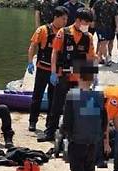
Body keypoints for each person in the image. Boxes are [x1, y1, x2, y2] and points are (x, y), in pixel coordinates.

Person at [39, 8, 95, 142]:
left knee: (77, 105)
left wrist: (90, 78)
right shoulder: (63, 33)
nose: (87, 25)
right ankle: (50, 132)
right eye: (85, 22)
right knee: (56, 104)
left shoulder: (88, 37)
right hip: (62, 73)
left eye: (88, 23)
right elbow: (55, 52)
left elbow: (90, 57)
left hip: (78, 75)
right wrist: (53, 72)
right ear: (77, 20)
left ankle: (72, 133)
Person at [62, 63, 107, 171]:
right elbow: (104, 122)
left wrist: (64, 136)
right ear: (92, 78)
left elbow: (67, 123)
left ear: (79, 76)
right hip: (92, 144)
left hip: (77, 143)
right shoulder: (99, 96)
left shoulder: (72, 96)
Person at [27, 6, 68, 132]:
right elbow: (33, 45)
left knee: (53, 98)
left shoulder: (64, 33)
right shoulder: (43, 30)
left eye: (66, 19)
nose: (65, 22)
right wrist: (30, 62)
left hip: (55, 71)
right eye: (63, 19)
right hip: (42, 68)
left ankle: (50, 124)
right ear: (56, 17)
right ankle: (32, 121)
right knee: (37, 96)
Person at [91, 0, 118, 66]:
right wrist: (93, 20)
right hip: (99, 26)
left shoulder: (114, 5)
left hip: (109, 26)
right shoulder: (99, 2)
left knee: (105, 42)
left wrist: (117, 26)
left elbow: (116, 16)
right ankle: (107, 58)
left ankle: (99, 58)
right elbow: (92, 10)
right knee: (103, 42)